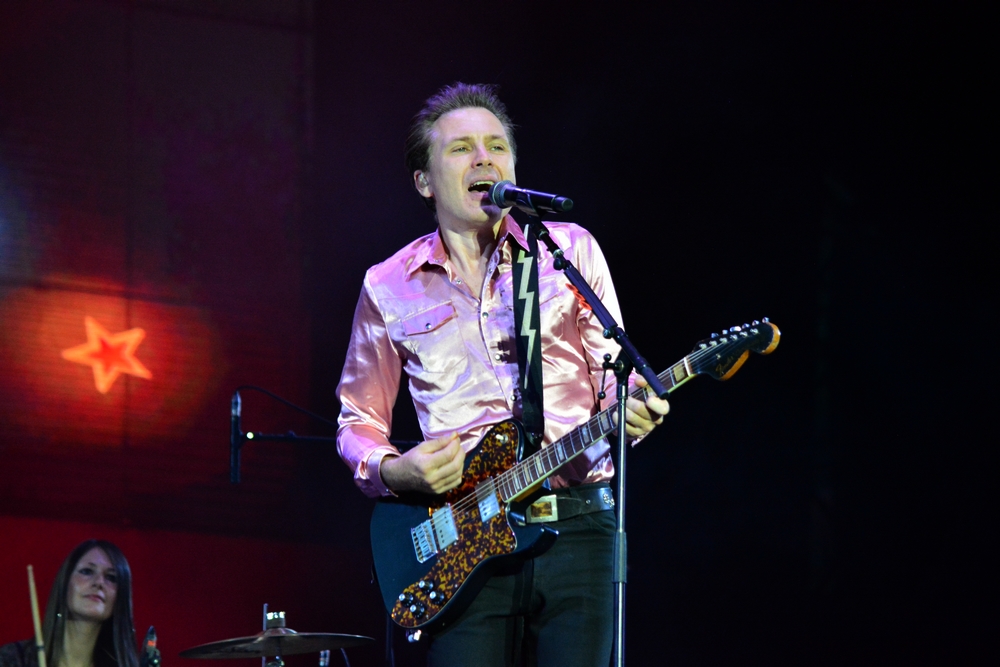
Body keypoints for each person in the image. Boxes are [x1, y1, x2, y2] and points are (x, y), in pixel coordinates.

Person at [336, 82, 670, 666]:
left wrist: (635, 407)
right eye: (461, 148)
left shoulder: (567, 252)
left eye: (497, 146)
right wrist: (395, 469)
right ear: (424, 181)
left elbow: (616, 379)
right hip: (463, 542)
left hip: (580, 527)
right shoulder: (387, 285)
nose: (484, 159)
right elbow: (356, 420)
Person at [0, 540, 139, 667]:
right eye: (87, 571)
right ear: (65, 583)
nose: (99, 582)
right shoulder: (13, 659)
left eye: (111, 577)